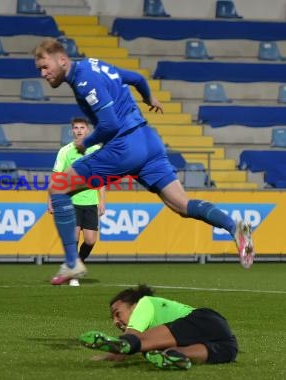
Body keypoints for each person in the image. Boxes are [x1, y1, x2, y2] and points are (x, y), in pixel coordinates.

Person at [32, 38, 254, 286]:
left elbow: (110, 125)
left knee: (59, 187)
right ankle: (234, 227)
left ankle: (72, 262)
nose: (43, 73)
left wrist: (86, 143)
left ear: (62, 60)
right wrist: (149, 99)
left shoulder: (84, 82)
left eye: (45, 66)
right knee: (182, 204)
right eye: (39, 69)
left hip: (124, 146)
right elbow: (137, 78)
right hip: (149, 141)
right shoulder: (95, 65)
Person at [79, 284, 238, 370]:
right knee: (168, 352)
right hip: (224, 338)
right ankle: (175, 357)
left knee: (132, 342)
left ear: (133, 306)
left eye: (117, 313)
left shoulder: (144, 303)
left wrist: (103, 357)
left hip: (202, 319)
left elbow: (126, 347)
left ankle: (170, 354)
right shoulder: (153, 322)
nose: (115, 321)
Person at [49, 117, 106, 287]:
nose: (79, 130)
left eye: (82, 127)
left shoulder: (96, 150)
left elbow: (101, 178)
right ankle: (73, 272)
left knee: (90, 241)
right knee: (73, 239)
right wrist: (51, 200)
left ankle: (76, 263)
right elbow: (57, 177)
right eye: (76, 128)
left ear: (87, 130)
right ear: (72, 131)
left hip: (90, 201)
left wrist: (102, 201)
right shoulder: (65, 151)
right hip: (70, 200)